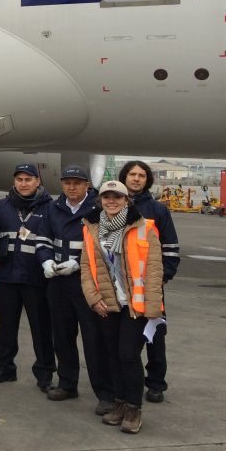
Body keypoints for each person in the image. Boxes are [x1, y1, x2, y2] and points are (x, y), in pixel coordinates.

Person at [80, 180, 164, 434]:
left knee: (128, 354)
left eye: (117, 197)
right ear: (100, 201)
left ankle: (133, 408)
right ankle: (118, 401)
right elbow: (86, 267)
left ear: (127, 200)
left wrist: (151, 307)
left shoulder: (144, 228)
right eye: (107, 197)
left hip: (134, 305)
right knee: (113, 355)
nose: (111, 201)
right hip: (108, 303)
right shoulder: (91, 228)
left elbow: (153, 269)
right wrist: (93, 298)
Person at [39, 166, 115, 414]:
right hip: (59, 282)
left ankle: (104, 393)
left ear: (87, 186)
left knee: (94, 339)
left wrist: (77, 263)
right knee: (62, 336)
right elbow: (42, 239)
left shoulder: (97, 210)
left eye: (77, 183)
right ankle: (67, 383)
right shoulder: (53, 208)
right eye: (67, 182)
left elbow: (105, 246)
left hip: (86, 283)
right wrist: (46, 260)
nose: (71, 187)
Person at [0, 163, 56, 390]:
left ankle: (44, 374)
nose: (23, 184)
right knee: (6, 327)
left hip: (36, 279)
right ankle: (5, 368)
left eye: (28, 179)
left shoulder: (50, 209)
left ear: (38, 181)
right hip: (8, 277)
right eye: (20, 179)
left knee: (41, 328)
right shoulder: (2, 207)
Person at [120, 160, 179, 403]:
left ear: (147, 180)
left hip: (150, 285)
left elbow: (171, 247)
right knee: (123, 337)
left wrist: (163, 277)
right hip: (121, 285)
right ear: (124, 178)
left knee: (155, 335)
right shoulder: (112, 205)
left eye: (141, 175)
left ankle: (156, 382)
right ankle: (123, 381)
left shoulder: (158, 210)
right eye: (132, 174)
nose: (136, 179)